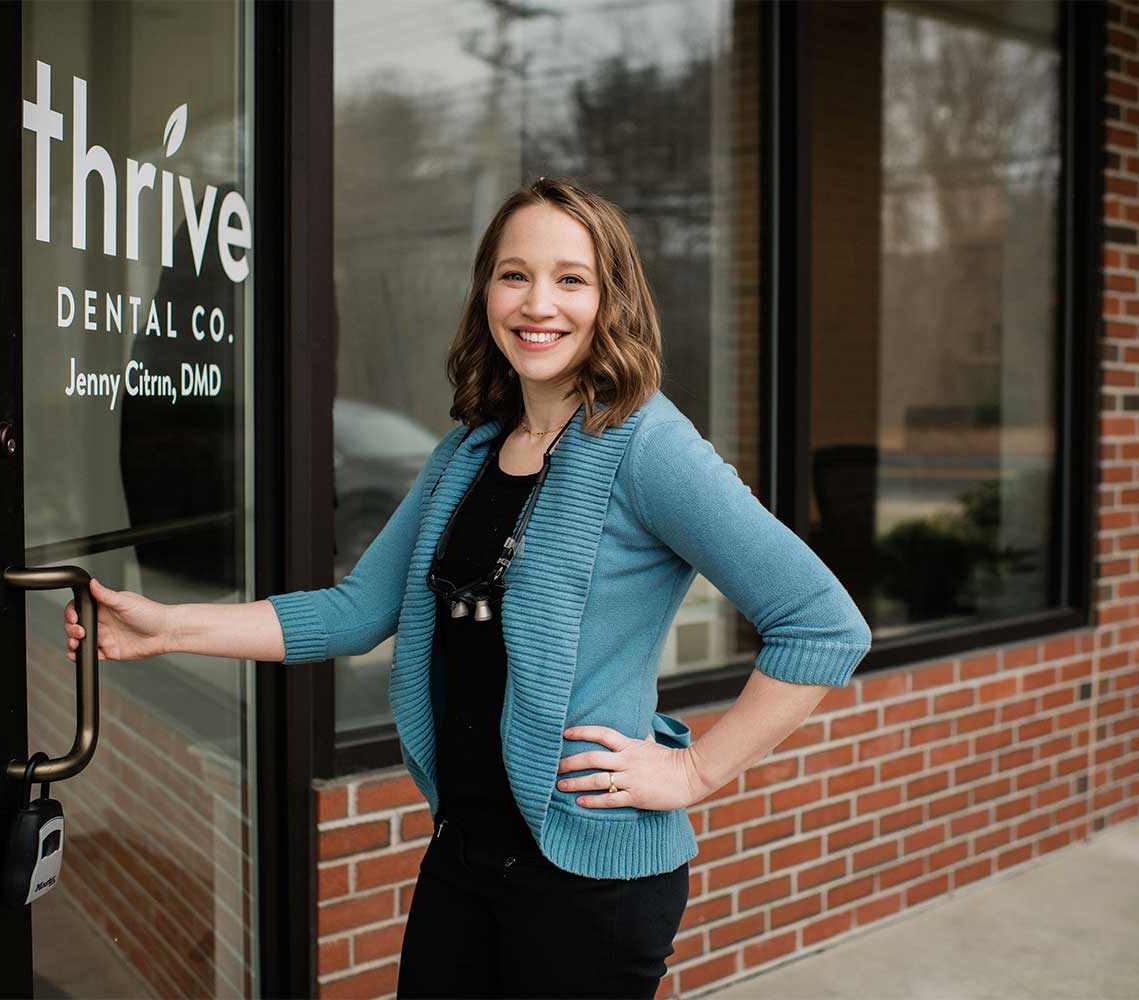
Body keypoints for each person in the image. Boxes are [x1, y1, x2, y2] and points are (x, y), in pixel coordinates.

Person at [61, 177, 873, 998]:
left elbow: (821, 624)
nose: (538, 303)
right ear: (487, 291)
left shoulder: (647, 446)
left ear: (612, 299)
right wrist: (167, 629)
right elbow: (356, 611)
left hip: (587, 886)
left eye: (571, 279)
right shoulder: (468, 452)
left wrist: (694, 772)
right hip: (463, 853)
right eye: (515, 275)